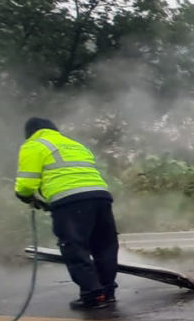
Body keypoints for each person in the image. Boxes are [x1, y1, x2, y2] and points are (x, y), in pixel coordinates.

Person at [14, 117, 119, 310]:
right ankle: (107, 292)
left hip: (70, 202)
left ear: (30, 132)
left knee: (75, 247)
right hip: (101, 197)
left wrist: (25, 196)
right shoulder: (74, 144)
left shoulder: (33, 145)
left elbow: (27, 184)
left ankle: (93, 295)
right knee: (105, 246)